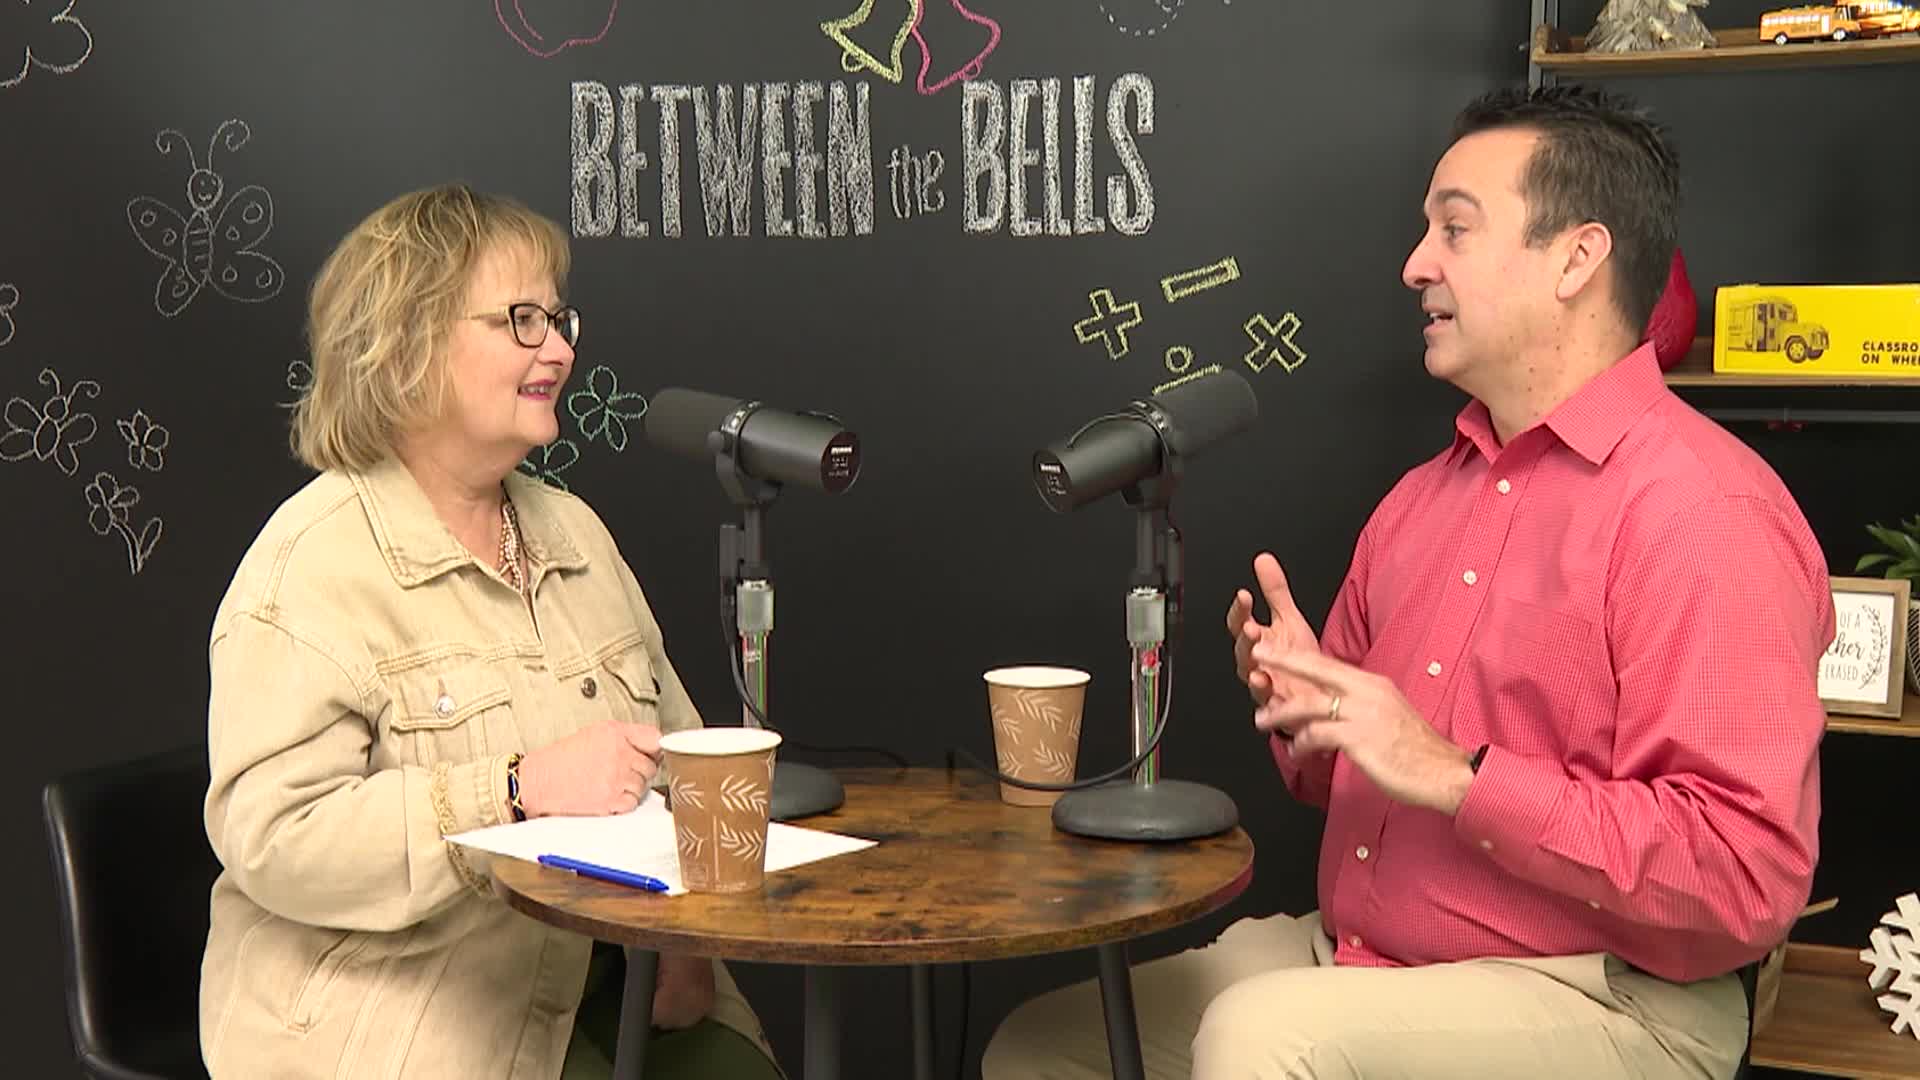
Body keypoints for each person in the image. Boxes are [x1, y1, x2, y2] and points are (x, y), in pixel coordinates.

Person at [983, 83, 1833, 1080]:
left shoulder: (1703, 514)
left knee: (1263, 1043)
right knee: (1044, 1048)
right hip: (1370, 959)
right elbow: (1346, 772)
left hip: (1609, 993)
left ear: (1577, 258)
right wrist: (1311, 715)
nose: (1414, 264)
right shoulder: (1422, 502)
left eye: (1455, 231)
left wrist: (1456, 775)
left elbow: (1740, 877)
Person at [199, 184, 785, 1079]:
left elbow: (678, 757)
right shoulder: (306, 570)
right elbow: (279, 841)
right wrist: (515, 791)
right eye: (519, 320)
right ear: (404, 345)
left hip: (614, 988)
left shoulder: (575, 531)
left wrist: (688, 944)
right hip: (413, 1013)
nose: (557, 347)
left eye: (559, 319)